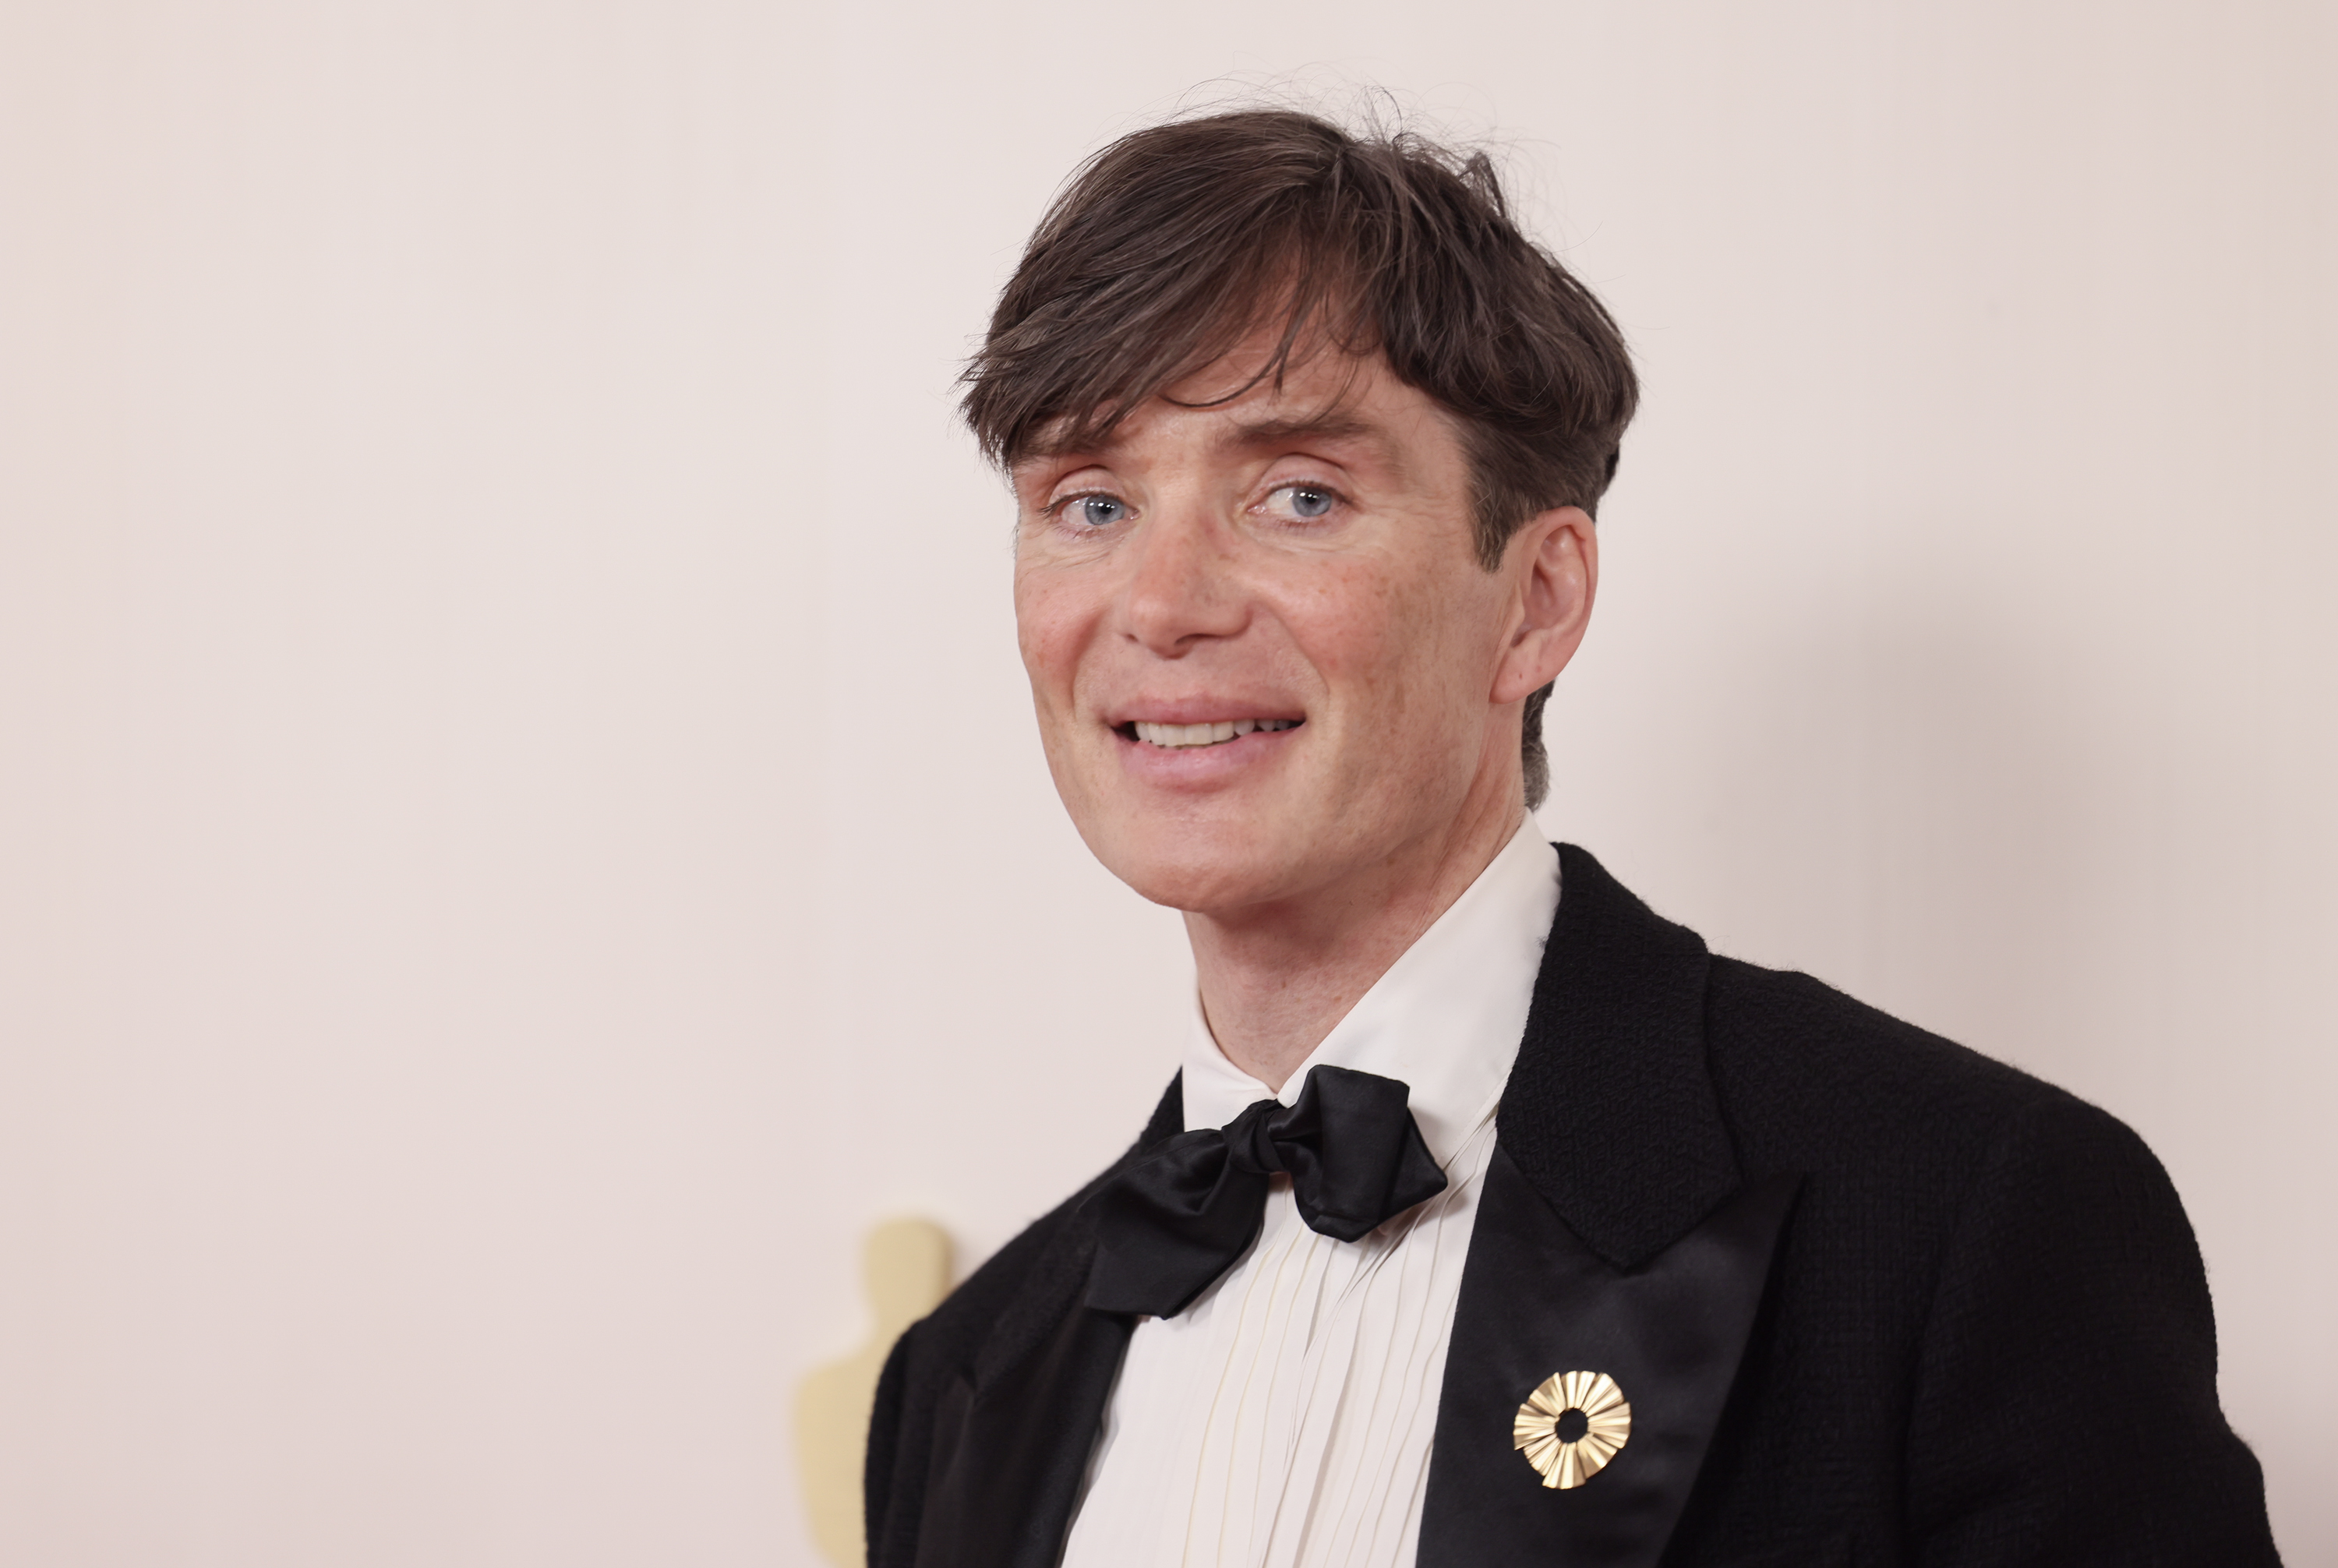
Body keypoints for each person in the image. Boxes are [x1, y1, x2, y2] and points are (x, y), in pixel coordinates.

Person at [863, 108, 2280, 1568]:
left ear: (1535, 601)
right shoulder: (961, 1374)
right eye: (1089, 503)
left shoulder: (1969, 1217)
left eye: (1299, 495)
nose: (1161, 605)